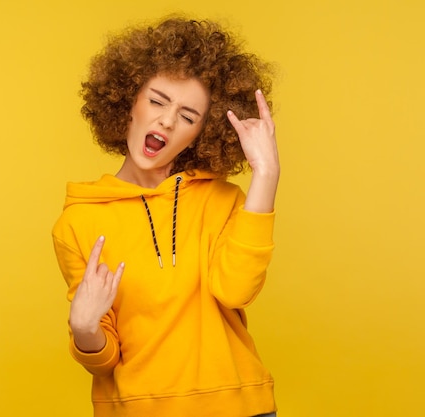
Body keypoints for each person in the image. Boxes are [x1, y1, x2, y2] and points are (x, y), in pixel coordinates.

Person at [52, 16, 280, 417]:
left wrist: (266, 173)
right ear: (127, 103)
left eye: (188, 116)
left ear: (200, 134)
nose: (168, 120)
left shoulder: (221, 200)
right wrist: (85, 328)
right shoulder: (77, 222)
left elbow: (236, 291)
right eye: (157, 101)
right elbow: (103, 358)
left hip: (239, 406)